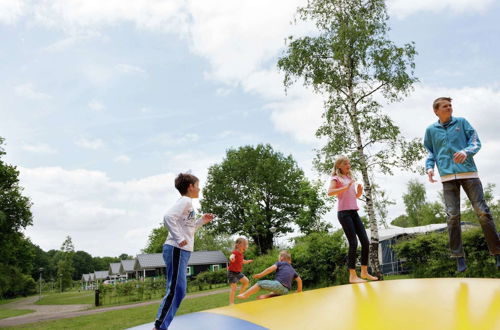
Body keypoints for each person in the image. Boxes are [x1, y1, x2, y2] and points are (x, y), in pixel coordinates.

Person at [424, 97, 500, 272]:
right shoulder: (430, 130)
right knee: (452, 217)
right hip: (447, 177)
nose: (449, 108)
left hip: (469, 174)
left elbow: (475, 142)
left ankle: (497, 251)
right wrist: (429, 168)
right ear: (436, 110)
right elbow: (430, 152)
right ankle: (459, 257)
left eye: (450, 105)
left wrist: (466, 152)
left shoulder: (462, 122)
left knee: (482, 212)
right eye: (445, 106)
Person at [153, 173, 214, 330]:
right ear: (190, 187)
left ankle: (160, 326)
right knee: (176, 289)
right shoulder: (186, 201)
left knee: (178, 290)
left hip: (180, 250)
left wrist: (201, 221)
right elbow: (168, 217)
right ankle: (159, 327)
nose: (199, 188)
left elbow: (188, 227)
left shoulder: (187, 204)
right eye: (197, 185)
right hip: (176, 248)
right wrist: (179, 239)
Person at [328, 156, 378, 284]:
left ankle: (364, 272)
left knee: (366, 242)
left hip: (354, 212)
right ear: (339, 165)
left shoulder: (349, 178)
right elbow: (330, 192)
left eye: (349, 163)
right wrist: (345, 187)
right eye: (346, 164)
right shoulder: (336, 178)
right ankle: (352, 276)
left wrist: (359, 193)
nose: (348, 166)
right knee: (353, 243)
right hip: (344, 213)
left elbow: (352, 196)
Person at [236, 250, 302, 300]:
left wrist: (260, 275)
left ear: (282, 258)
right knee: (274, 293)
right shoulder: (292, 269)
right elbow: (299, 280)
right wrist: (299, 291)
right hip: (286, 291)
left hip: (279, 285)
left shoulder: (280, 263)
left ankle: (245, 295)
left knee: (260, 283)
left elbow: (270, 269)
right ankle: (266, 297)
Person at [228, 237, 253, 305]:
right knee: (234, 287)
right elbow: (231, 256)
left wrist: (247, 261)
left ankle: (241, 294)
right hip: (232, 272)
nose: (245, 246)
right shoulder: (235, 252)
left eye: (246, 244)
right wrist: (232, 258)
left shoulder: (241, 254)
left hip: (238, 272)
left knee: (246, 282)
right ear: (238, 245)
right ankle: (231, 303)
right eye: (244, 244)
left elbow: (242, 261)